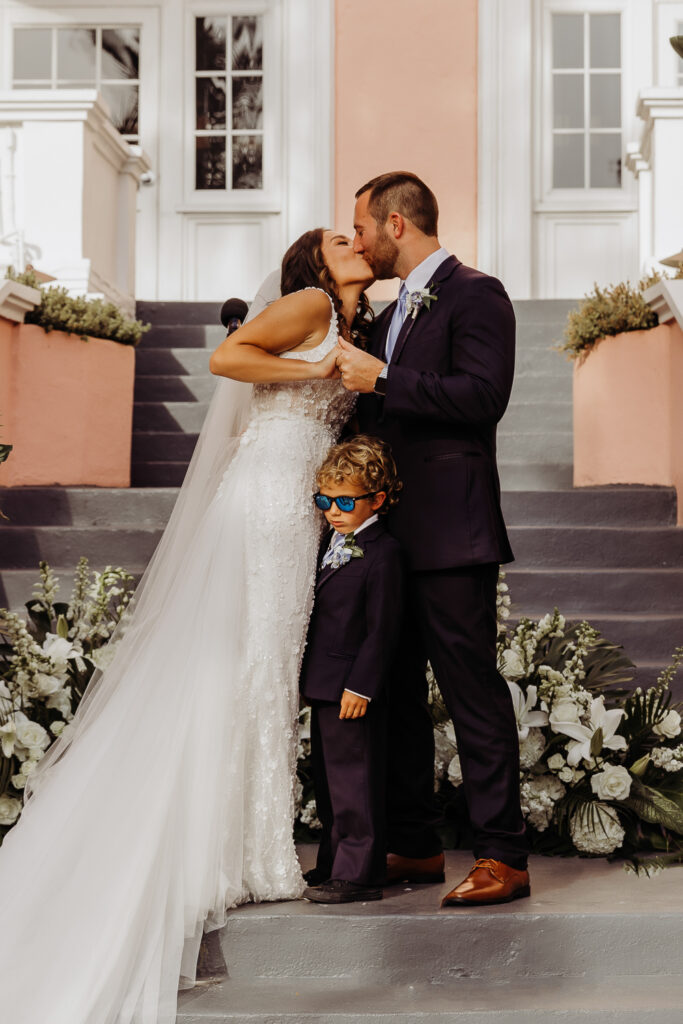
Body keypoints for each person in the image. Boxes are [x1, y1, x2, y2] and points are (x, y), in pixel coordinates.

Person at [0, 228, 373, 1023]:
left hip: (295, 498)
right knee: (255, 664)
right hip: (271, 492)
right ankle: (244, 852)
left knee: (265, 663)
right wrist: (312, 368)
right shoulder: (309, 304)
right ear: (314, 261)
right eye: (341, 236)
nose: (356, 240)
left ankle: (253, 844)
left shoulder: (349, 319)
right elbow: (229, 358)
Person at [335, 171, 530, 906]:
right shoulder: (388, 314)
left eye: (359, 227)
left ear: (394, 224)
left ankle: (502, 857)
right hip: (390, 538)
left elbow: (484, 396)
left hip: (452, 534)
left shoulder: (478, 292)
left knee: (469, 691)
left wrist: (383, 378)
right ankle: (414, 844)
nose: (354, 241)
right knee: (393, 696)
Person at [299, 436, 406, 904]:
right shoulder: (331, 542)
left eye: (345, 501)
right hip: (323, 682)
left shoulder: (384, 553)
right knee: (328, 779)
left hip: (350, 686)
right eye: (326, 501)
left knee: (353, 779)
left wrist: (361, 686)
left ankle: (360, 872)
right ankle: (333, 862)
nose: (333, 511)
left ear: (377, 499)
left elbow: (382, 630)